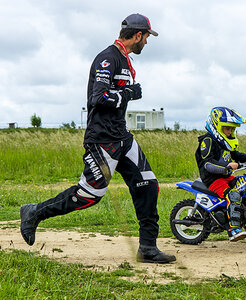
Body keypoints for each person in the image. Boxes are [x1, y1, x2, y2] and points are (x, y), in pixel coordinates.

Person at [20, 13, 176, 264]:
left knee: (149, 185)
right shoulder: (108, 58)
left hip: (122, 137)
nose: (146, 42)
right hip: (102, 140)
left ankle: (148, 247)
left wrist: (125, 93)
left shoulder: (125, 60)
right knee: (90, 195)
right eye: (146, 37)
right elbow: (98, 98)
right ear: (137, 35)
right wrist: (128, 94)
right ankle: (34, 212)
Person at [195, 107, 246, 242]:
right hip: (212, 179)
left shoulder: (225, 142)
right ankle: (232, 229)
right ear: (217, 126)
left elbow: (237, 155)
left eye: (232, 129)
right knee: (233, 194)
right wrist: (226, 167)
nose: (229, 132)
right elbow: (208, 164)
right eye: (227, 129)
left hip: (225, 176)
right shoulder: (208, 140)